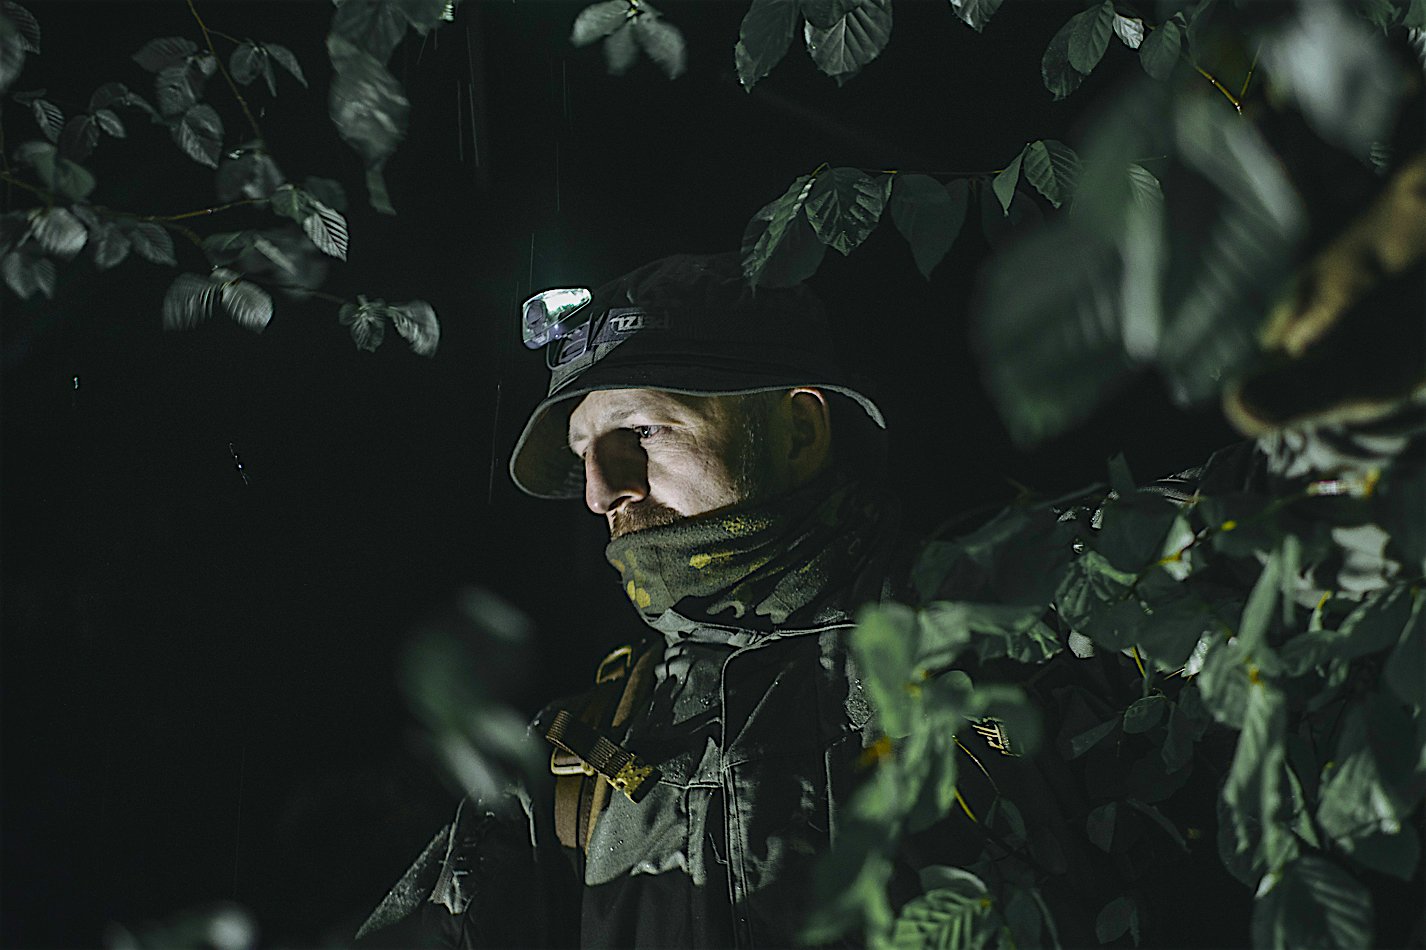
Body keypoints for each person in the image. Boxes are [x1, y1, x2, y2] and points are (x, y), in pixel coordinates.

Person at [355, 253, 1135, 948]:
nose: (599, 491)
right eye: (583, 454)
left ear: (797, 430)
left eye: (642, 431)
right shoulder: (566, 768)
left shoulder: (1039, 643)